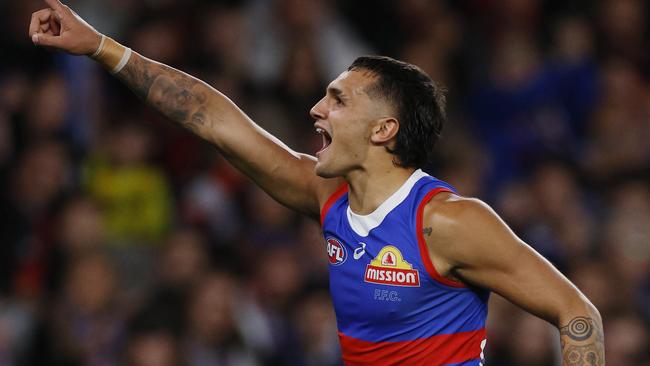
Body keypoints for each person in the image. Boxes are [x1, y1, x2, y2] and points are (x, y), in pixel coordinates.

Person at [29, 0, 605, 364]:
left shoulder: (448, 222)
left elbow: (578, 317)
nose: (314, 109)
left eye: (337, 99)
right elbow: (213, 119)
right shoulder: (325, 194)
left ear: (383, 129)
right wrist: (101, 47)